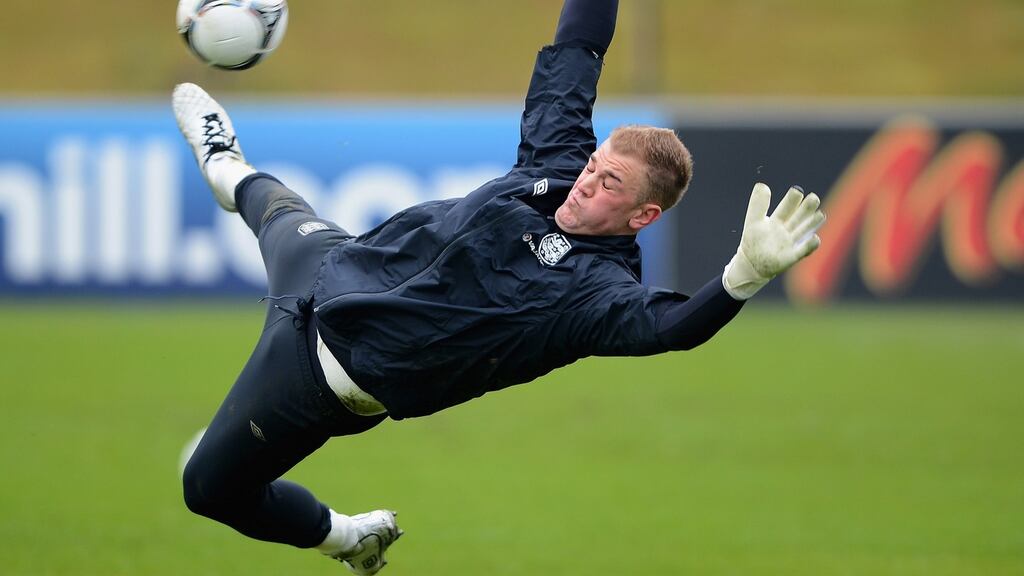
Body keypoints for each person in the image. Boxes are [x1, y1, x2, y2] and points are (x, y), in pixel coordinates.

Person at [172, 1, 825, 574]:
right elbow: (580, 47)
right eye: (595, 165)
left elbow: (673, 330)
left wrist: (741, 278)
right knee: (266, 205)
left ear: (643, 216)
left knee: (206, 488)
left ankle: (348, 537)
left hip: (319, 377)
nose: (587, 183)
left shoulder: (594, 296)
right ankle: (225, 158)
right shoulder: (559, 162)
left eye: (610, 185)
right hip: (328, 269)